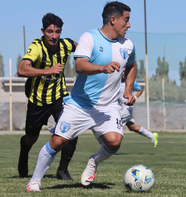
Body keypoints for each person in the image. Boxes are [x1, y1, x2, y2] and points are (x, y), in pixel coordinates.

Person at [26, 1, 136, 192]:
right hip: (80, 104)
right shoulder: (90, 37)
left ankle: (93, 161)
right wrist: (103, 67)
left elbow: (132, 65)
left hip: (108, 107)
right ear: (113, 19)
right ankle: (35, 181)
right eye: (126, 20)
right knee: (58, 142)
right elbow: (80, 66)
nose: (129, 25)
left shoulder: (128, 45)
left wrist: (128, 89)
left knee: (114, 142)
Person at [17, 13, 79, 181]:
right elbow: (22, 69)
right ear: (43, 31)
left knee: (71, 132)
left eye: (57, 32)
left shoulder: (66, 44)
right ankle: (24, 151)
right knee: (31, 137)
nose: (54, 36)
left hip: (59, 97)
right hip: (37, 100)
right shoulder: (36, 47)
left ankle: (62, 170)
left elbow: (82, 48)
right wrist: (47, 70)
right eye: (50, 32)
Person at [119, 69, 158, 148]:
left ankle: (112, 145)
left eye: (124, 71)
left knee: (115, 125)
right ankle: (152, 135)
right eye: (122, 71)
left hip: (126, 109)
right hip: (120, 109)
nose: (123, 73)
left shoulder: (130, 81)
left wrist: (135, 97)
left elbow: (140, 90)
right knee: (132, 127)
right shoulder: (116, 81)